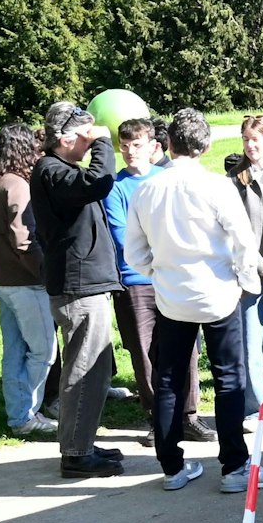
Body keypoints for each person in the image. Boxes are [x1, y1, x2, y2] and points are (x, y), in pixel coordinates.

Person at [124, 108, 263, 494]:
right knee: (228, 378)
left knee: (168, 380)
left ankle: (172, 467)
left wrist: (160, 272)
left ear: (167, 144)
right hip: (217, 294)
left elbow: (134, 253)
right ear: (207, 146)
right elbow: (244, 243)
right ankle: (234, 467)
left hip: (172, 297)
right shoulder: (216, 187)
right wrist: (246, 283)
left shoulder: (147, 189)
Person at [31, 102, 126, 479]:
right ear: (65, 138)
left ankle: (80, 441)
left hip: (85, 283)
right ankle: (76, 453)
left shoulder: (61, 170)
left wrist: (93, 140)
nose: (91, 142)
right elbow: (99, 181)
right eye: (85, 136)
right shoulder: (52, 170)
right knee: (86, 370)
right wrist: (103, 141)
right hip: (78, 287)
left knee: (93, 369)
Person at [103, 117, 211, 445]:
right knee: (145, 351)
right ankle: (158, 418)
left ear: (154, 146)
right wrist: (161, 253)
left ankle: (188, 415)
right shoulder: (115, 187)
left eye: (136, 145)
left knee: (186, 349)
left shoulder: (166, 180)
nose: (130, 151)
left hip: (173, 276)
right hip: (135, 280)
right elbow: (123, 235)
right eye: (124, 146)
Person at [0, 124, 58, 436]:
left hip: (0, 279)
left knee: (14, 350)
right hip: (24, 283)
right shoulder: (18, 186)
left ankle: (18, 416)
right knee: (43, 351)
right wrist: (45, 274)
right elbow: (23, 240)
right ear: (23, 149)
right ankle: (26, 414)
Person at [224, 115, 263, 426]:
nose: (251, 146)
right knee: (251, 339)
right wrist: (261, 266)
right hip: (251, 263)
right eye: (246, 140)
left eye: (256, 140)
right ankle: (254, 409)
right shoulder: (235, 179)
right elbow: (234, 230)